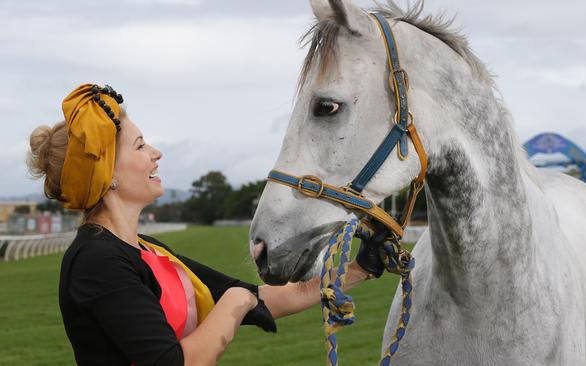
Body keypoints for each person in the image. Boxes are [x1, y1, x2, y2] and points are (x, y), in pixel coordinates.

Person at [27, 83, 386, 366]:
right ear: (108, 176)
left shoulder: (149, 250)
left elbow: (264, 298)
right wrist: (234, 301)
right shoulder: (97, 262)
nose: (155, 153)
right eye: (139, 146)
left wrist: (361, 268)